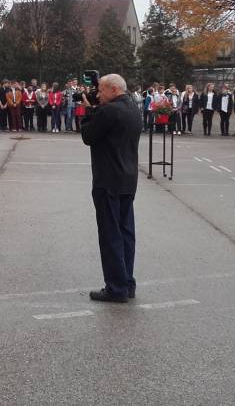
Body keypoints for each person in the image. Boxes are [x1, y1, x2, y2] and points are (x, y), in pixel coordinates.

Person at [80, 74, 142, 303]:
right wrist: (96, 109)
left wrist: (89, 112)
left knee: (110, 235)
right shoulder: (133, 107)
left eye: (101, 91)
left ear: (114, 89)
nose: (98, 95)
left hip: (108, 179)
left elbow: (88, 135)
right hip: (128, 178)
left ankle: (116, 287)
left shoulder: (109, 111)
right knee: (126, 233)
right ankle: (127, 282)